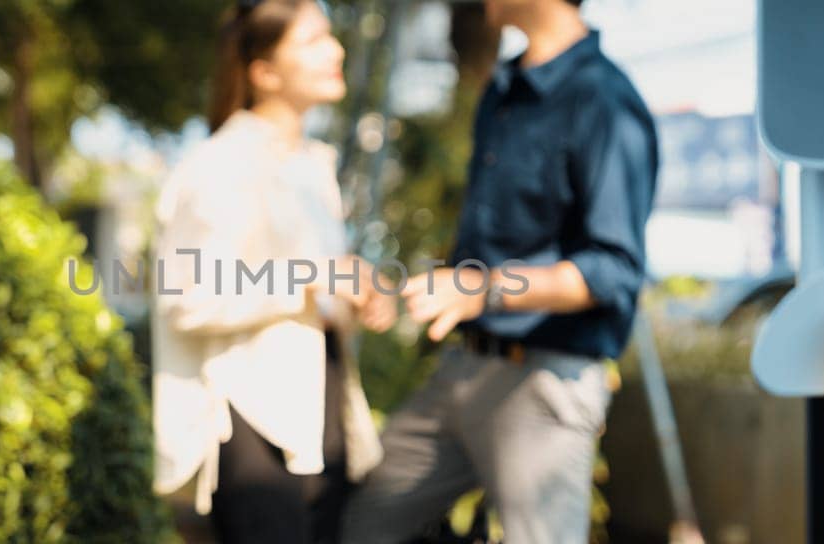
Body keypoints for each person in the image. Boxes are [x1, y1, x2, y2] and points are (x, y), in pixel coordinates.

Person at [341, 0, 658, 542]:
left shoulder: (604, 100)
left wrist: (484, 289)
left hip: (542, 381)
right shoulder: (504, 89)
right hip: (464, 365)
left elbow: (614, 270)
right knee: (362, 525)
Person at [150, 1, 397, 542]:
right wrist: (312, 278)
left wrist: (358, 297)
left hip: (321, 409)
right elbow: (186, 294)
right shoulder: (218, 165)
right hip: (252, 424)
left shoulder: (314, 166)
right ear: (263, 72)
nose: (335, 51)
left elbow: (312, 290)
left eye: (330, 37)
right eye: (313, 41)